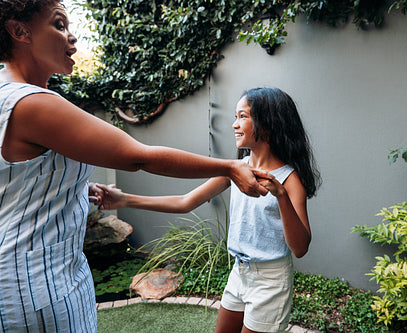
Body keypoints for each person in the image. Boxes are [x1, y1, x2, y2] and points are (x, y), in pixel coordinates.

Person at [0, 1, 272, 332]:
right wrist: (229, 167)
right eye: (59, 25)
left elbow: (16, 182)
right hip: (35, 283)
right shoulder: (31, 103)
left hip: (45, 275)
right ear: (19, 31)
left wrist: (76, 188)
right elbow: (137, 156)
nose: (72, 38)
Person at [98, 87, 321, 333]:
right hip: (239, 272)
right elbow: (185, 202)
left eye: (243, 116)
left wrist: (280, 196)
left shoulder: (290, 180)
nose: (235, 125)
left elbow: (300, 248)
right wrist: (124, 200)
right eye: (235, 117)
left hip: (270, 280)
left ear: (268, 124)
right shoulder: (236, 169)